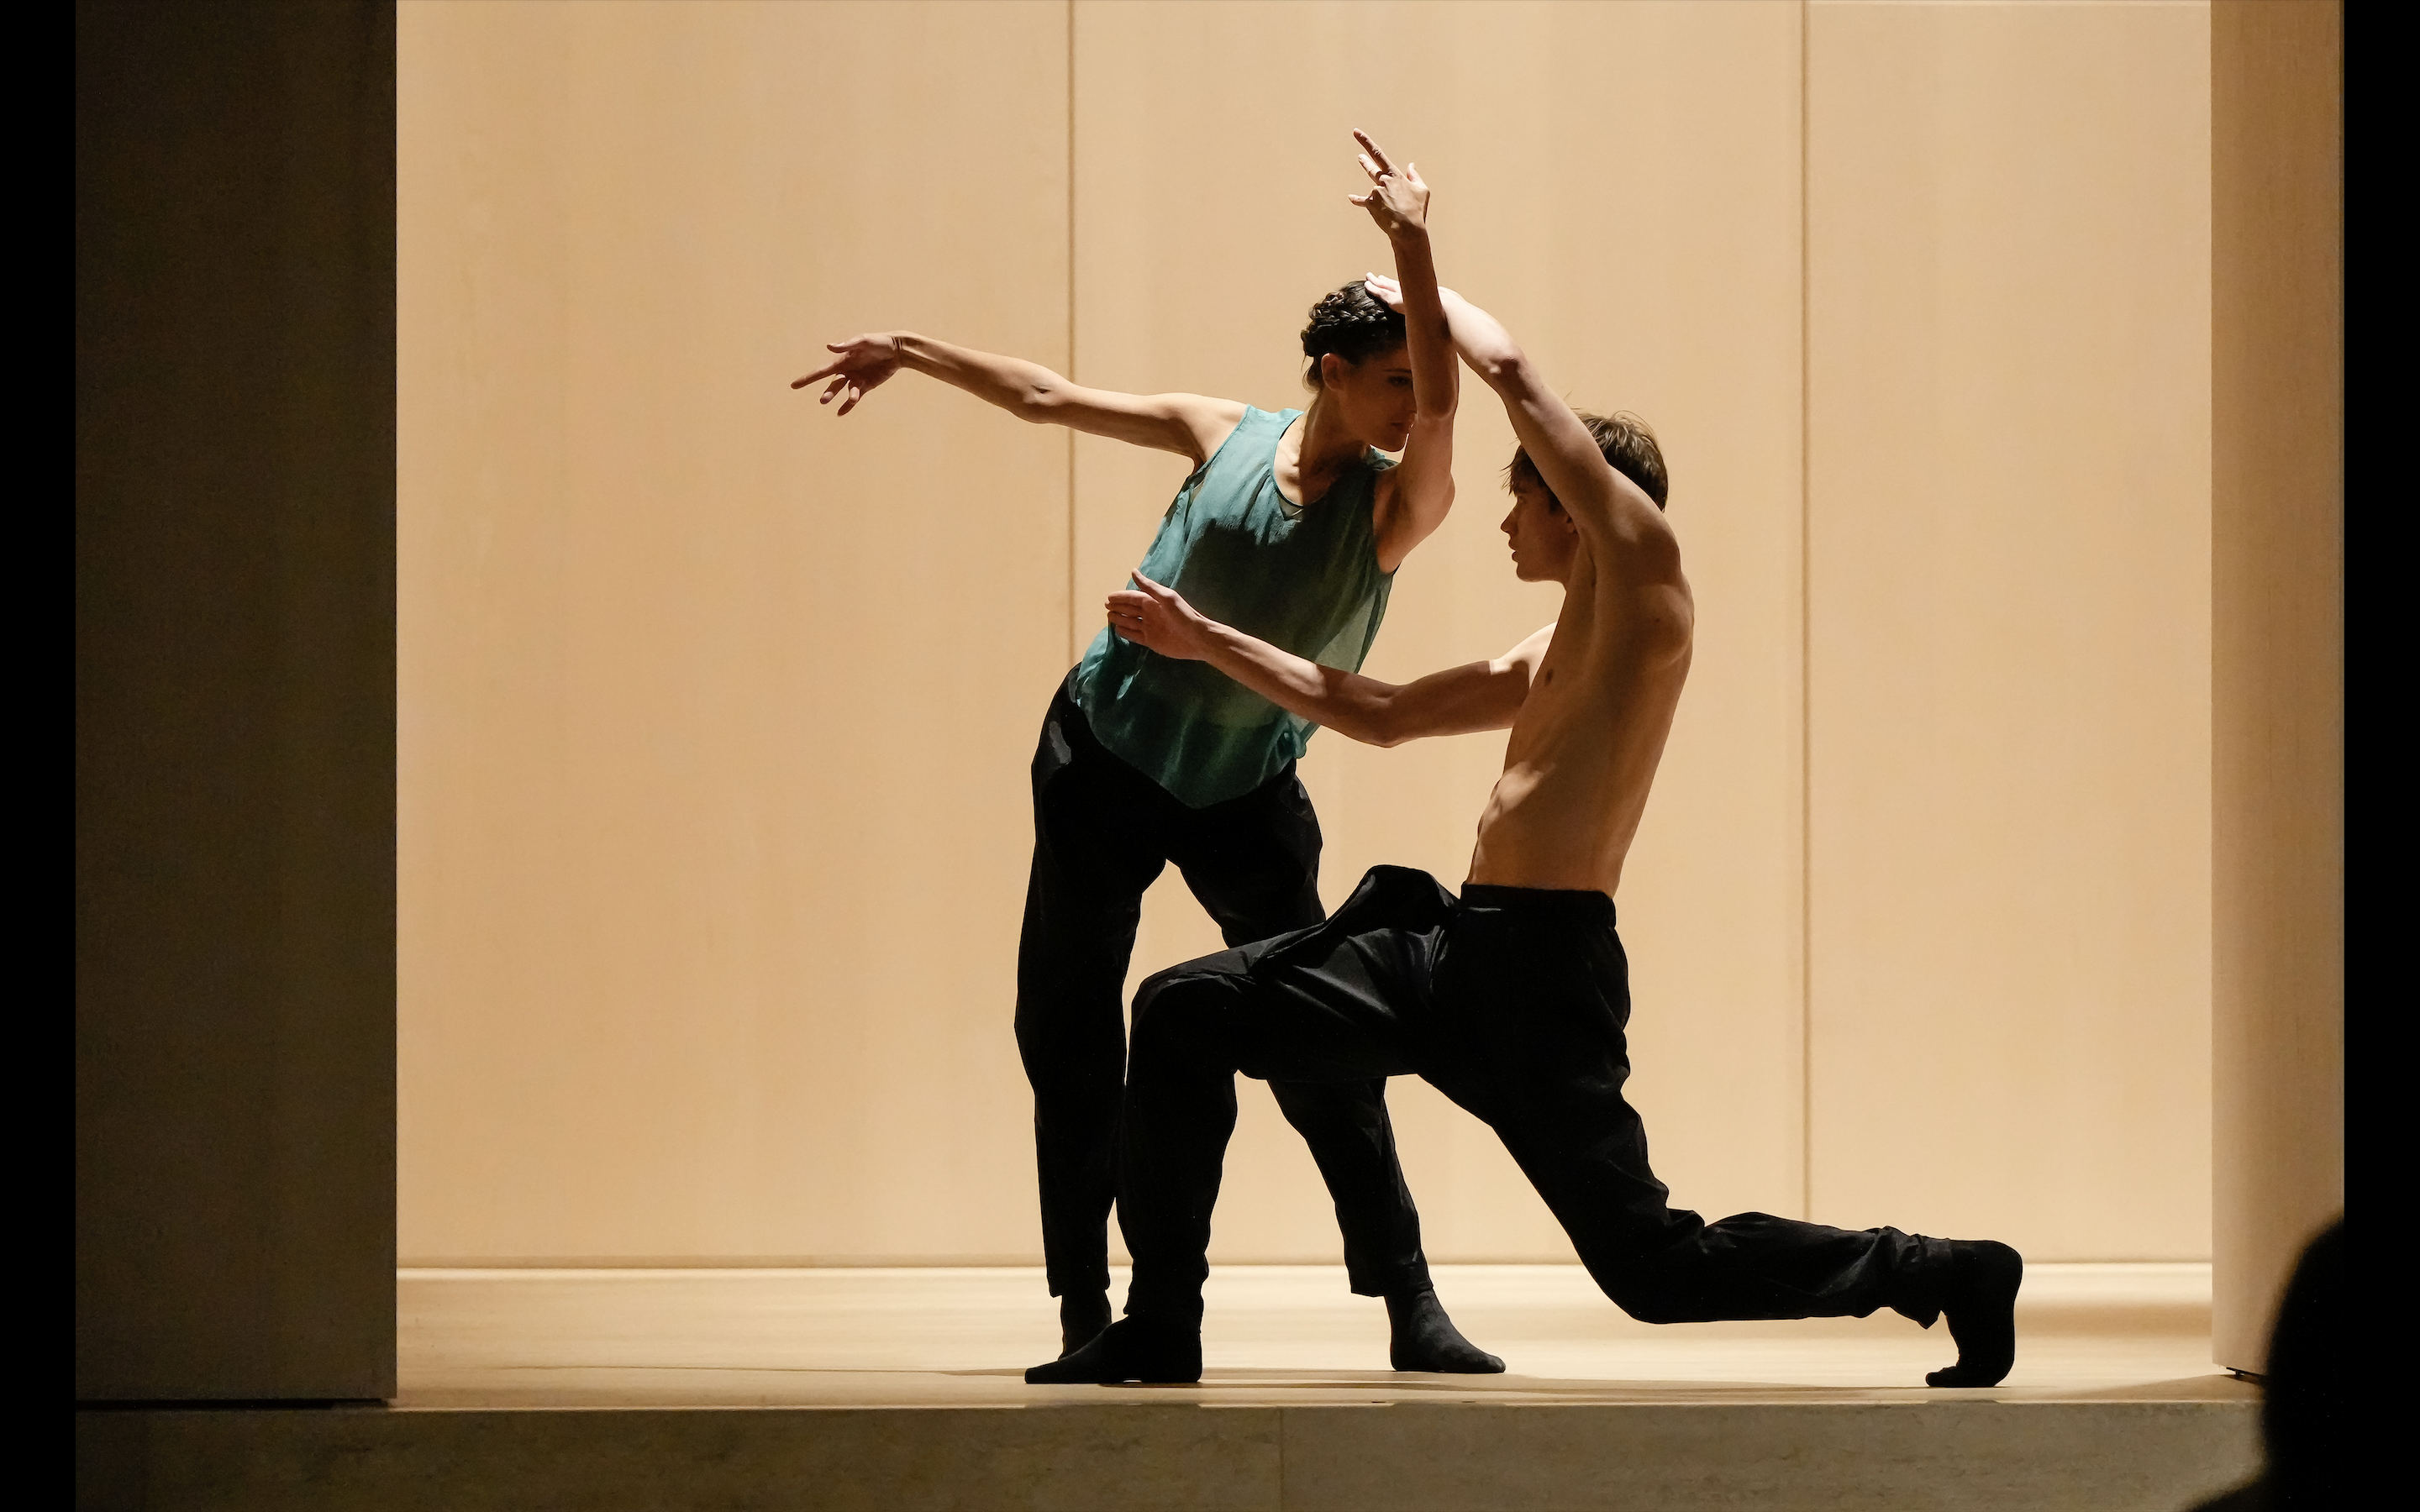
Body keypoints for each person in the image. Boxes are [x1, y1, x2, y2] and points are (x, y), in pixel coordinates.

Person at [1027, 157, 2026, 1387]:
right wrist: (1205, 639)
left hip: (1543, 981)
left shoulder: (1647, 583)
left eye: (1524, 505)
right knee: (1184, 1010)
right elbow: (1382, 713)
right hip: (1454, 953)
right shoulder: (1552, 649)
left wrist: (1410, 252)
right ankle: (1161, 1324)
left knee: (1652, 1270)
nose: (1504, 524)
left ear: (1575, 504)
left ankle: (1943, 1270)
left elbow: (1504, 371)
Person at [792, 133, 1499, 1371]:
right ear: (1331, 373)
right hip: (1100, 757)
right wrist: (910, 348)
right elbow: (1046, 397)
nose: (1412, 404)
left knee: (1319, 1046)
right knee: (1067, 1031)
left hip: (1244, 791)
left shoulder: (1395, 506)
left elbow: (1448, 405)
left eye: (1414, 382)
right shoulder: (1221, 428)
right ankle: (1091, 1310)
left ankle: (1409, 1298)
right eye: (1388, 380)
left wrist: (1412, 244)